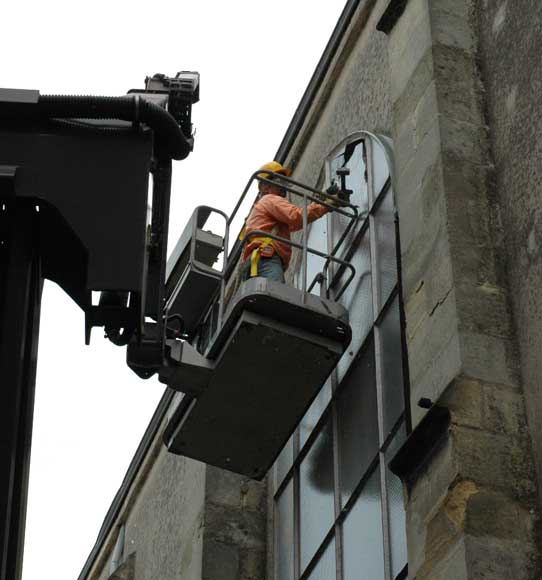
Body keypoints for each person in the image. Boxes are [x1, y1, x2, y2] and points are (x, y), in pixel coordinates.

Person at [241, 161, 334, 283]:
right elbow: (296, 217)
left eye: (284, 182)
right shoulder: (270, 199)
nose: (283, 187)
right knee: (274, 295)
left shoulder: (260, 209)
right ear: (265, 186)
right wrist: (325, 206)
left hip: (256, 262)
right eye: (279, 182)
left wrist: (319, 202)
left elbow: (295, 223)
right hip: (267, 258)